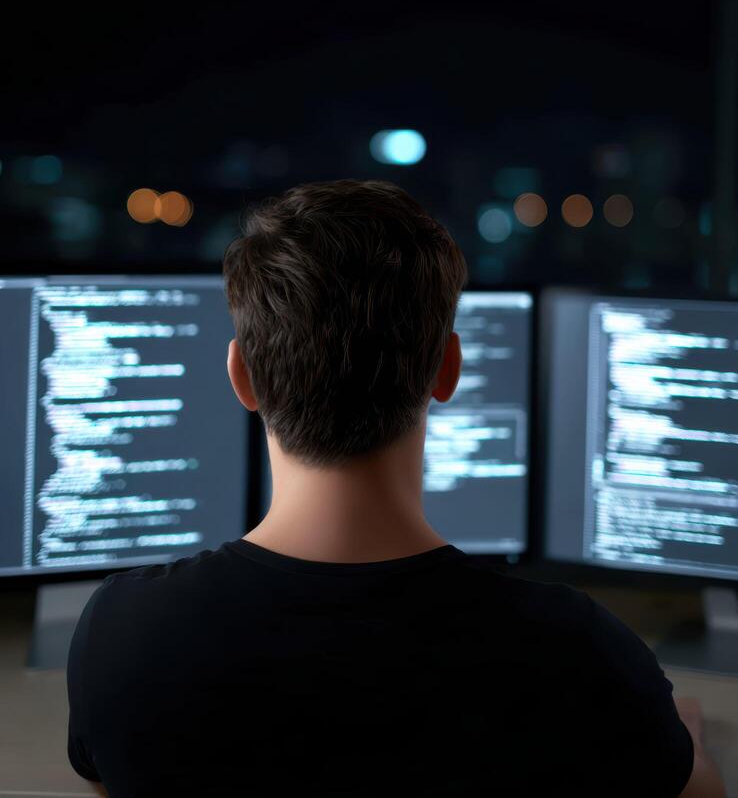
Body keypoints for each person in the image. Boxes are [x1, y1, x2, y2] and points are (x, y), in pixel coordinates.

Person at [67, 179, 724, 797]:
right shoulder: (577, 654)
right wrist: (671, 731)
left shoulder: (121, 636)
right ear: (448, 370)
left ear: (243, 377)